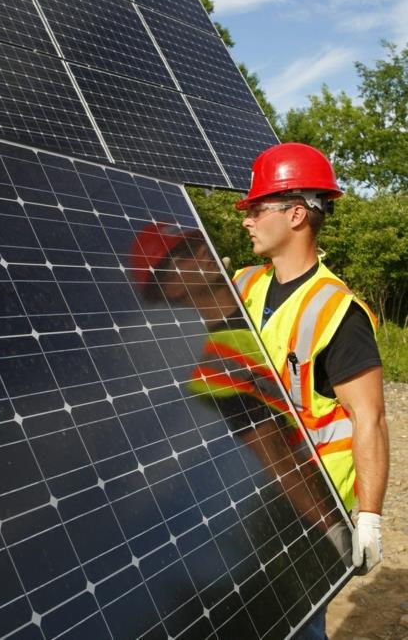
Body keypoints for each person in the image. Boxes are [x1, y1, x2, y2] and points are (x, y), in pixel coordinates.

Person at [129, 142, 389, 639]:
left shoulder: (337, 311)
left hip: (317, 503)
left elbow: (369, 418)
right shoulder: (246, 285)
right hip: (254, 494)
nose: (245, 219)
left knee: (295, 619)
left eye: (256, 208)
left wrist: (368, 517)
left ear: (296, 214)